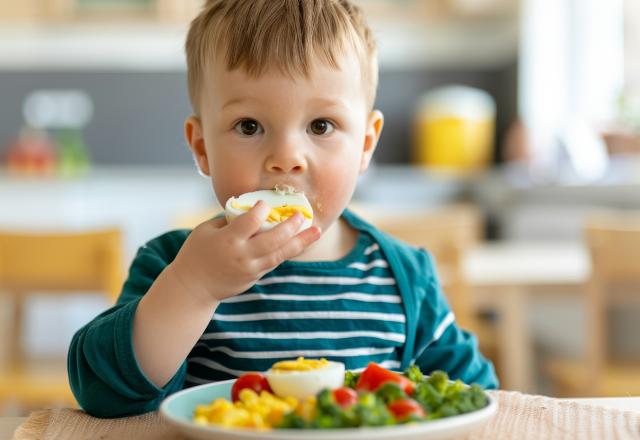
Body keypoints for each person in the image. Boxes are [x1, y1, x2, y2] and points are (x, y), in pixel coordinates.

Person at [68, 0, 498, 418]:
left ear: (365, 144)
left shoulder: (406, 279)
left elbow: (477, 401)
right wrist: (193, 288)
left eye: (321, 125)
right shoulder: (171, 266)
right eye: (249, 126)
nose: (287, 156)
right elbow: (103, 395)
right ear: (202, 147)